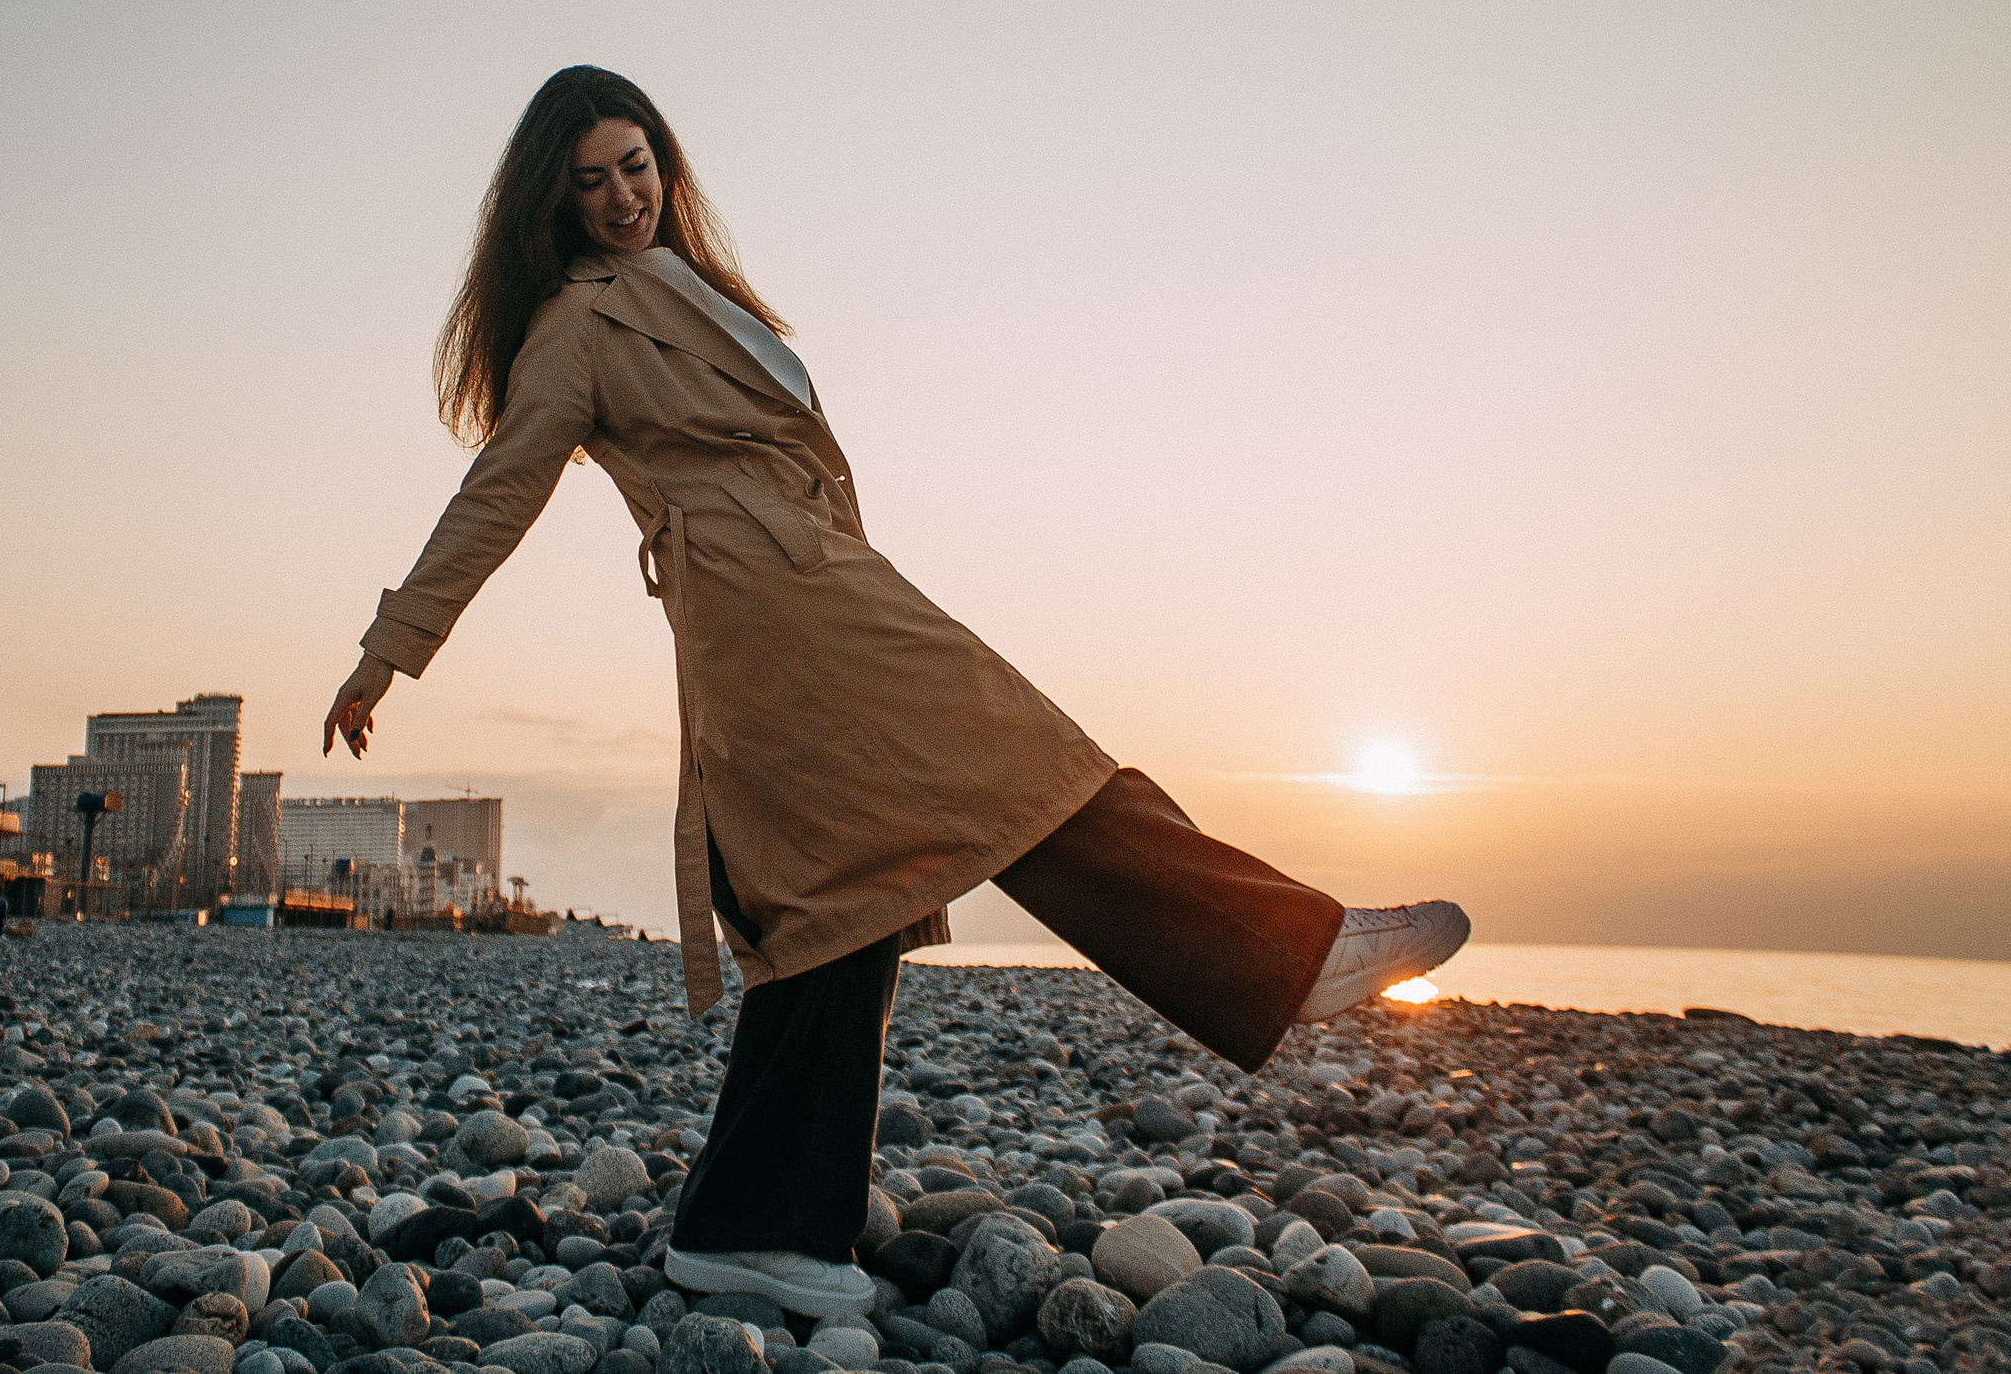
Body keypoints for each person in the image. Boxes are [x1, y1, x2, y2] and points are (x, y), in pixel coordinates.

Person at [322, 66, 1471, 1318]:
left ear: (667, 158)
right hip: (779, 616)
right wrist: (391, 647)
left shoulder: (691, 288)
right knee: (1024, 767)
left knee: (837, 901)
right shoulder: (577, 323)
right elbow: (502, 487)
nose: (620, 197)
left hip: (813, 592)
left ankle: (755, 1224)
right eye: (589, 181)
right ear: (551, 201)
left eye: (636, 164)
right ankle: (1282, 952)